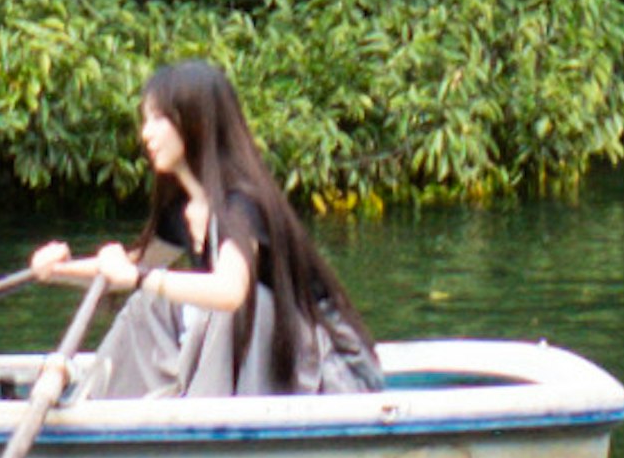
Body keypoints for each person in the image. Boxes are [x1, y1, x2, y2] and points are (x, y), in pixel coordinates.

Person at [33, 55, 383, 401]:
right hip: (257, 363)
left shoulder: (241, 205)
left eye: (158, 119)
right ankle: (103, 404)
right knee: (149, 305)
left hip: (323, 375)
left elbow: (231, 290)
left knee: (236, 305)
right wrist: (56, 270)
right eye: (145, 120)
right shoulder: (182, 209)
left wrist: (139, 278)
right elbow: (125, 270)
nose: (146, 134)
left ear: (194, 123)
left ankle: (203, 418)